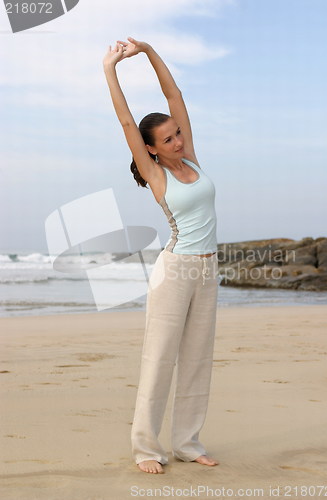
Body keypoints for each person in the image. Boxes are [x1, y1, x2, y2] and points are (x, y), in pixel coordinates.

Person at [103, 37, 220, 474]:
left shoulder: (191, 158)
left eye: (178, 133)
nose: (177, 139)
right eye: (168, 138)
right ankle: (146, 448)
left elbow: (174, 95)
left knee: (197, 359)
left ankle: (187, 443)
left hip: (208, 271)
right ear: (151, 148)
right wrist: (111, 69)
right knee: (159, 359)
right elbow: (126, 121)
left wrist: (149, 51)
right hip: (175, 272)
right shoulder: (156, 173)